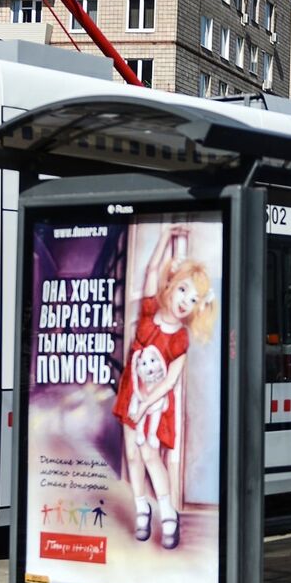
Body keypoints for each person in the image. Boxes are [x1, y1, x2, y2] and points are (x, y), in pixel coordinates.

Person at [113, 226, 214, 552]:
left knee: (149, 452)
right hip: (132, 388)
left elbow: (170, 381)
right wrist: (163, 240)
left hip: (155, 403)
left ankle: (168, 513)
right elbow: (151, 270)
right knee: (131, 452)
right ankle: (142, 507)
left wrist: (143, 406)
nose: (186, 301)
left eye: (194, 298)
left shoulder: (181, 338)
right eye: (184, 290)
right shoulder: (147, 310)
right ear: (171, 286)